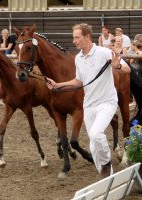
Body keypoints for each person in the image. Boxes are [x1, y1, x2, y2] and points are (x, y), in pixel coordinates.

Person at [46, 23, 121, 178]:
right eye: (73, 37)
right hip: (88, 105)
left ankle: (106, 163)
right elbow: (79, 81)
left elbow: (126, 69)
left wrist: (117, 66)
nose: (74, 41)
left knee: (95, 134)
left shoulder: (103, 52)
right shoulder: (78, 58)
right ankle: (108, 177)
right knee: (94, 147)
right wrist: (58, 85)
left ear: (87, 36)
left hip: (106, 102)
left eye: (76, 37)